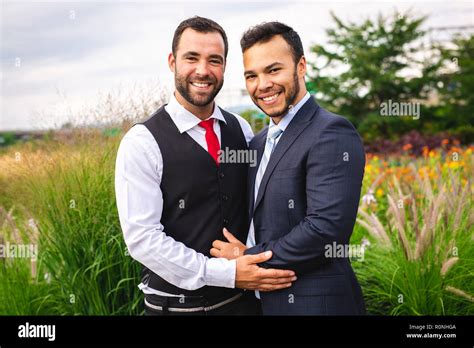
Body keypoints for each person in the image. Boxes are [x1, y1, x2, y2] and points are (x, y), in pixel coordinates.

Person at [115, 16, 296, 316]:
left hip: (245, 306)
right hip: (176, 310)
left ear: (225, 67)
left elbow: (257, 207)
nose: (203, 70)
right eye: (191, 58)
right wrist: (227, 273)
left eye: (214, 60)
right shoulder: (141, 142)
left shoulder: (241, 128)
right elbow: (143, 240)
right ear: (172, 62)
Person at [211, 22, 366, 315]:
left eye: (273, 70)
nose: (262, 85)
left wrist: (248, 257)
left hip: (316, 304)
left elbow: (326, 230)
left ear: (301, 66)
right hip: (262, 305)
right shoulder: (256, 145)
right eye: (251, 76)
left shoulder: (331, 132)